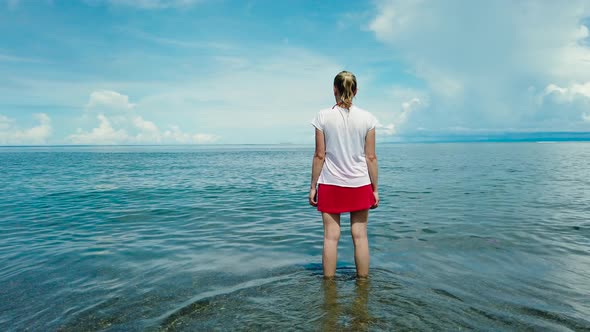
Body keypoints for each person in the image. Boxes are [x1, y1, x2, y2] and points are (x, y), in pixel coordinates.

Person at [309, 70, 379, 279]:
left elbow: (320, 155)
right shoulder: (368, 118)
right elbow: (371, 157)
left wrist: (313, 186)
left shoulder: (322, 116)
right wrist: (375, 189)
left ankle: (329, 290)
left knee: (331, 238)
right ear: (356, 91)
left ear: (334, 89)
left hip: (331, 183)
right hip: (359, 183)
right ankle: (363, 286)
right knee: (360, 237)